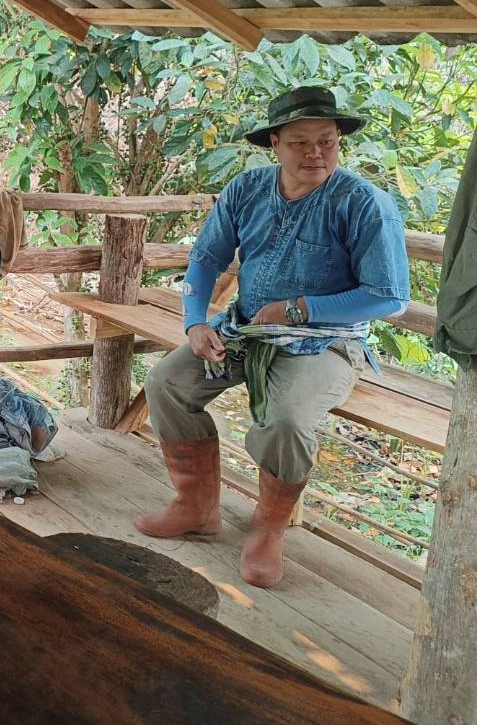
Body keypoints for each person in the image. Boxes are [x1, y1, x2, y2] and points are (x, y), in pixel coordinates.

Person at [136, 86, 409, 588]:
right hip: (247, 329)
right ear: (275, 144)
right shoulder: (247, 189)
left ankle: (268, 529)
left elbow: (389, 296)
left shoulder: (363, 203)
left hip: (327, 341)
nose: (315, 153)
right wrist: (195, 322)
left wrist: (303, 308)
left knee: (286, 421)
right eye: (300, 142)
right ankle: (196, 506)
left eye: (327, 141)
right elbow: (206, 259)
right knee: (167, 383)